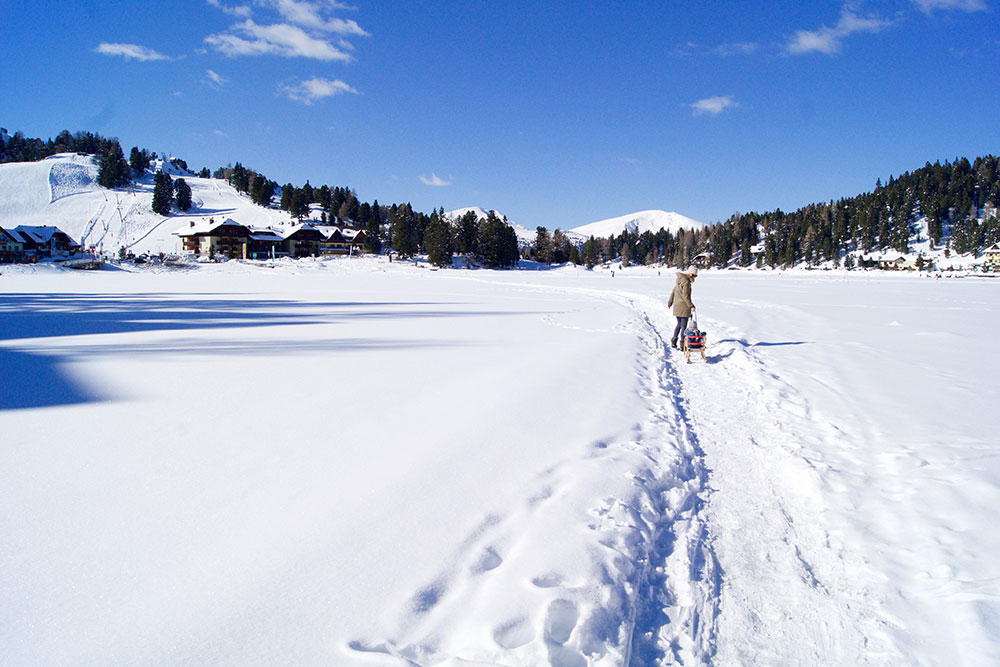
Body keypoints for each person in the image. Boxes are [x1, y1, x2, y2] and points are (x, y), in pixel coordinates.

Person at [668, 265, 698, 349]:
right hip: (683, 307)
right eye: (695, 276)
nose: (695, 278)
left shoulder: (679, 280)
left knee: (679, 324)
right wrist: (691, 306)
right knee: (684, 327)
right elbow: (686, 296)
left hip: (677, 306)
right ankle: (682, 344)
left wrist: (670, 302)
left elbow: (673, 292)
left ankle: (674, 340)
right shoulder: (686, 282)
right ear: (691, 274)